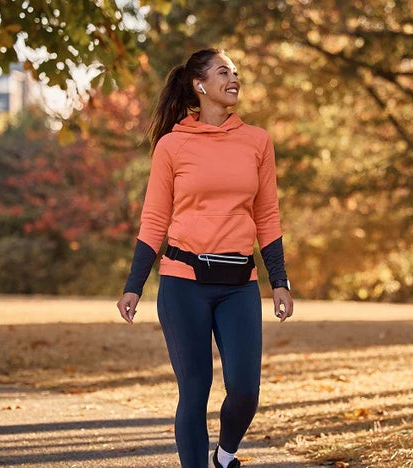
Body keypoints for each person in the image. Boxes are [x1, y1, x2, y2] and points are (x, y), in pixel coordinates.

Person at [116, 48, 294, 468]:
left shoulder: (257, 141)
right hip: (182, 284)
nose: (234, 78)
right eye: (223, 72)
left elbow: (267, 215)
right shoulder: (172, 146)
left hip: (239, 285)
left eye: (235, 71)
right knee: (194, 391)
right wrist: (133, 285)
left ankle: (225, 454)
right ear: (200, 85)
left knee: (246, 390)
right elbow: (155, 218)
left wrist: (280, 281)